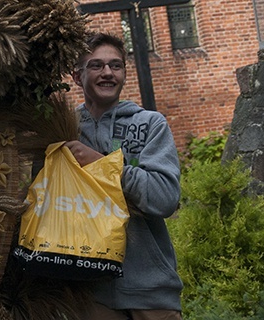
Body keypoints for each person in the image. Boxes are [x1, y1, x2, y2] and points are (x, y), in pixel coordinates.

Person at [65, 33, 183, 320]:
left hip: (150, 289)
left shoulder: (150, 124)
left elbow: (165, 198)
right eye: (96, 65)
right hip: (91, 294)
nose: (108, 72)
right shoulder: (63, 129)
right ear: (76, 75)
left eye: (116, 65)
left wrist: (103, 166)